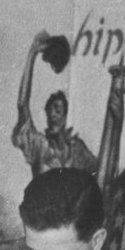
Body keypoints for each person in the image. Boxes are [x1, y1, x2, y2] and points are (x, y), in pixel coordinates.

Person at [12, 30, 98, 177]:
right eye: (50, 109)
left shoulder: (77, 150)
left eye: (58, 109)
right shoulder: (39, 145)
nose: (53, 113)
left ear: (65, 116)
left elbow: (101, 171)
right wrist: (32, 53)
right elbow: (22, 104)